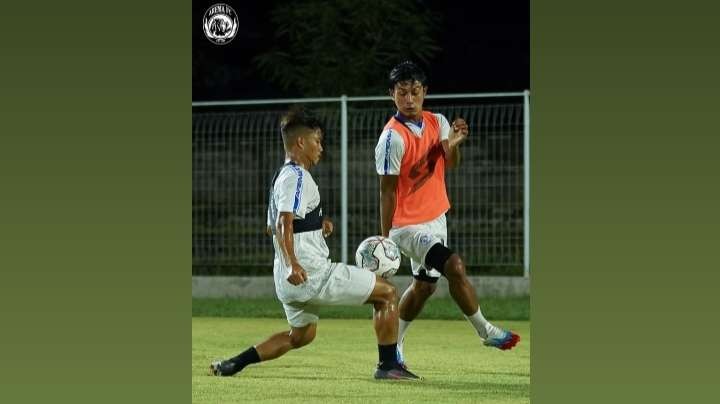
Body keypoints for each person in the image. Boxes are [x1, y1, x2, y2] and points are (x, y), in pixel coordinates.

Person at [210, 106, 421, 380]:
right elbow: (284, 222)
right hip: (309, 273)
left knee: (301, 336)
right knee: (388, 293)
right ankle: (389, 366)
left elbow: (273, 227)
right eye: (317, 141)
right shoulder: (297, 176)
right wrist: (293, 263)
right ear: (300, 142)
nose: (321, 147)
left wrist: (317, 225)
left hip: (288, 282)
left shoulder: (280, 177)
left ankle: (234, 363)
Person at [374, 61, 520, 367]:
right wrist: (385, 240)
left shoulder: (437, 121)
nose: (409, 99)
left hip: (436, 218)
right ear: (392, 95)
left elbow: (450, 163)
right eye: (402, 93)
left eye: (415, 92)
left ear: (425, 92)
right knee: (454, 264)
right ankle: (486, 331)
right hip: (407, 225)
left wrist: (452, 143)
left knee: (425, 286)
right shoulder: (391, 139)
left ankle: (394, 346)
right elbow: (387, 191)